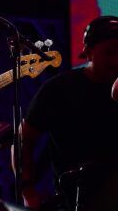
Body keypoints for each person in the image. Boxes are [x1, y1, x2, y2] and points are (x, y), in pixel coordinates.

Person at [20, 15, 118, 210]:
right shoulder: (59, 89)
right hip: (75, 200)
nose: (116, 60)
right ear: (88, 52)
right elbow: (24, 140)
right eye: (110, 52)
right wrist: (28, 192)